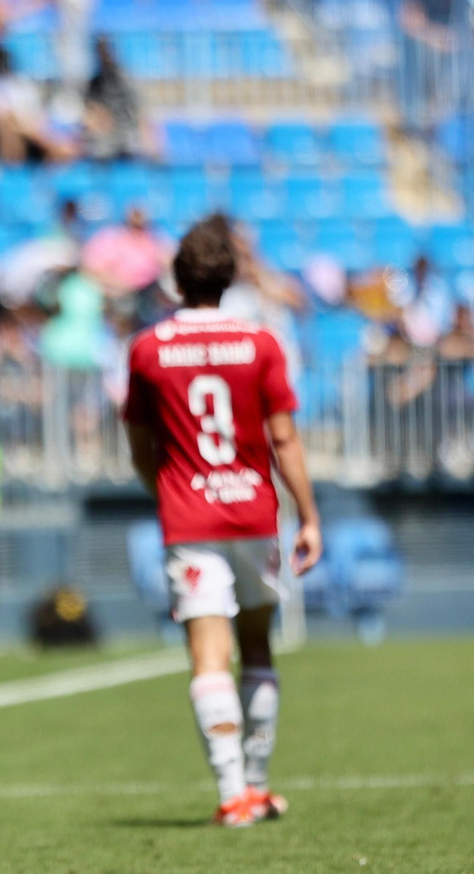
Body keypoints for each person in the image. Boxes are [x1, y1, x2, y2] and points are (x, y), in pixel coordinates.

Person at [122, 214, 321, 828]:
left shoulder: (149, 348)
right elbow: (283, 438)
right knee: (258, 645)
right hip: (254, 515)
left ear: (176, 281)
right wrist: (308, 517)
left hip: (190, 517)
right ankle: (257, 786)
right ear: (231, 278)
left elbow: (138, 438)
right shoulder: (261, 343)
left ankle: (233, 792)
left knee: (209, 657)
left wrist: (161, 487)